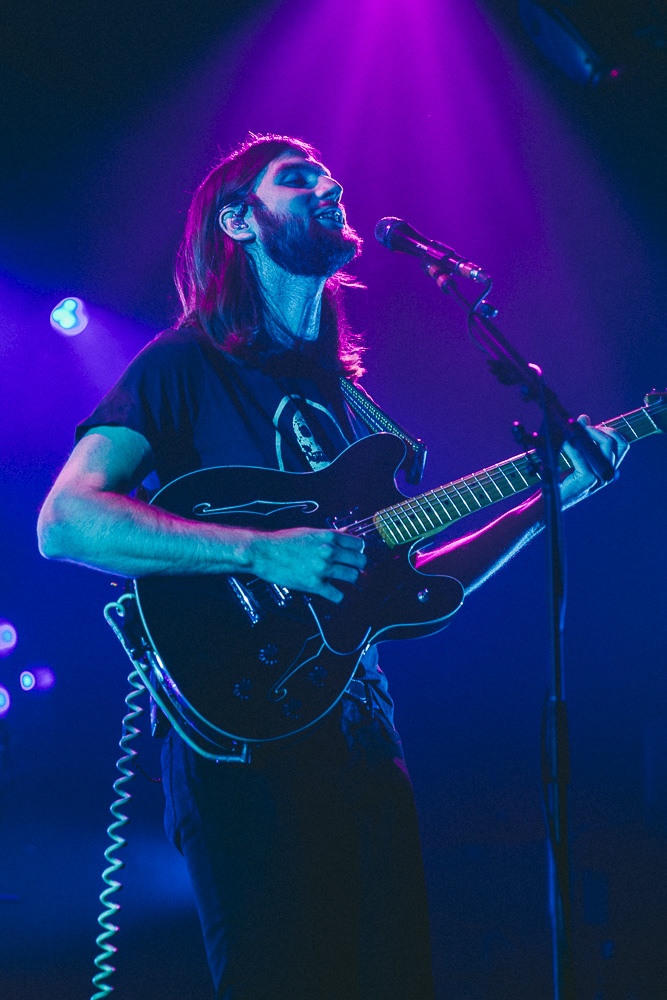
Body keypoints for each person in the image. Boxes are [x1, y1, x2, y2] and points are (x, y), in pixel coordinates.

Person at [37, 134, 627, 1000]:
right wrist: (257, 549)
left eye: (326, 173)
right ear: (239, 221)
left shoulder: (348, 406)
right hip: (238, 742)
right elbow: (66, 521)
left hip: (359, 736)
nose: (328, 183)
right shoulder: (181, 365)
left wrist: (548, 503)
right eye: (296, 177)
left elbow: (416, 584)